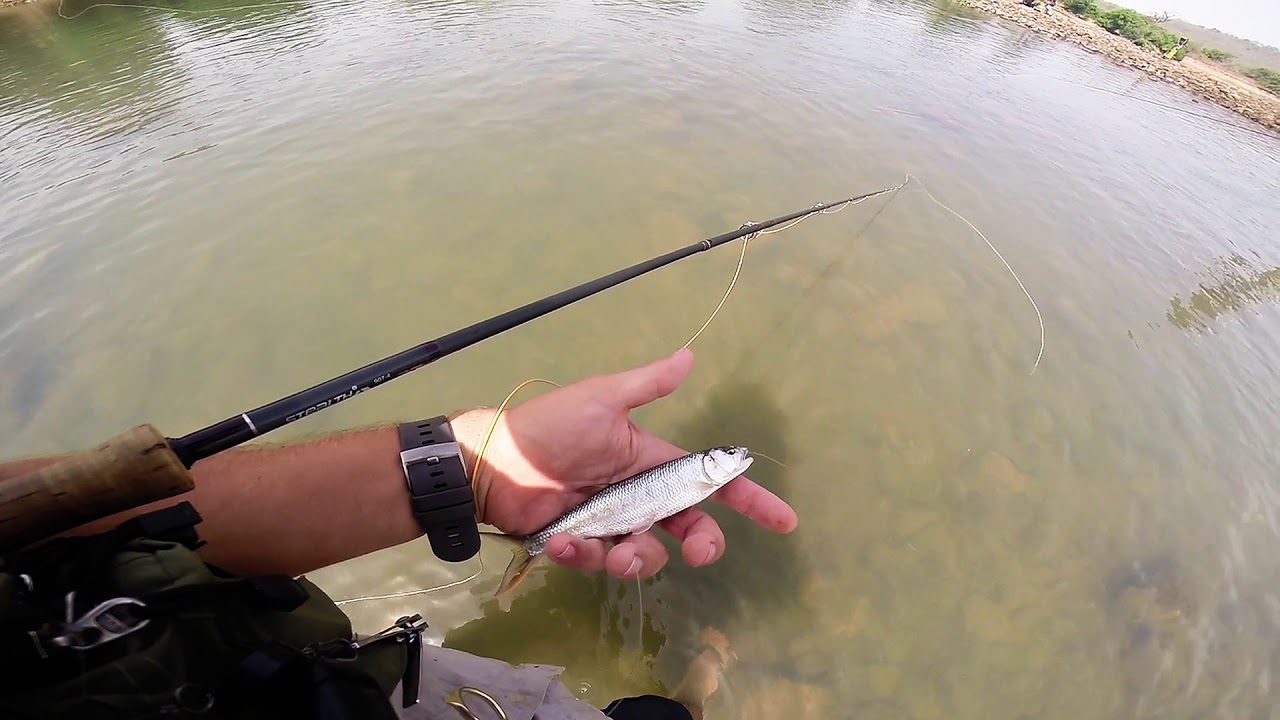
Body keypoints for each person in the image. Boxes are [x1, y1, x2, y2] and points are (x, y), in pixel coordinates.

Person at [0, 347, 798, 720]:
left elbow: (55, 506)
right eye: (723, 459)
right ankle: (692, 696)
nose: (726, 463)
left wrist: (479, 467)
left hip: (316, 671)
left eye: (721, 460)